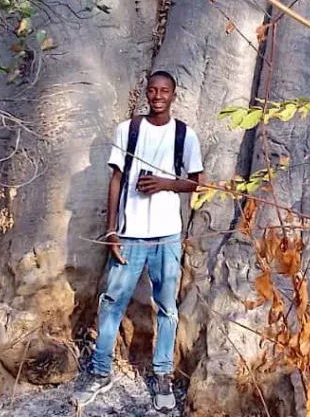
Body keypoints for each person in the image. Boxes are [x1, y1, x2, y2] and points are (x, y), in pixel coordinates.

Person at [73, 71, 204, 411]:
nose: (158, 96)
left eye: (164, 91)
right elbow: (116, 179)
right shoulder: (128, 130)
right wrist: (113, 229)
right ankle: (101, 370)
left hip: (167, 236)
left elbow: (195, 183)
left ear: (173, 96)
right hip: (130, 234)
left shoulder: (185, 135)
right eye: (152, 90)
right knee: (112, 300)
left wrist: (164, 183)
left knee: (167, 307)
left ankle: (162, 374)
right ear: (146, 93)